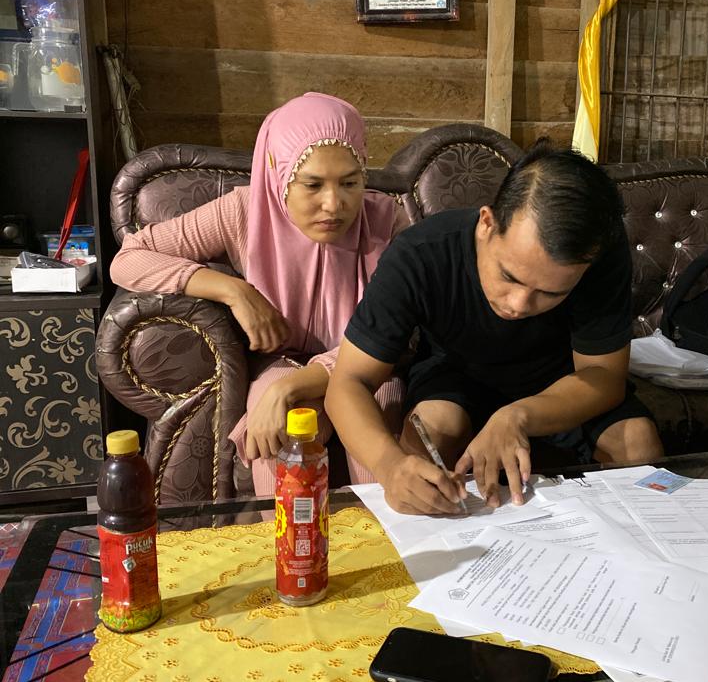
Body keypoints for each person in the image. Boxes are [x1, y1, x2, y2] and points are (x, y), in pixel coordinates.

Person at [325, 140, 664, 516]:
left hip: (559, 381)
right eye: (509, 276)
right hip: (456, 374)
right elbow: (348, 382)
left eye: (550, 293)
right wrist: (389, 465)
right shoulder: (421, 254)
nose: (519, 304)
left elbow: (603, 375)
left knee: (638, 441)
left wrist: (518, 415)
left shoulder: (599, 257)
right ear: (487, 223)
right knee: (434, 429)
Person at [110, 92, 408, 495]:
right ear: (278, 172)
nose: (333, 204)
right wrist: (233, 290)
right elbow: (129, 258)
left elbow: (398, 331)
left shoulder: (387, 221)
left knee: (379, 417)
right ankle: (283, 537)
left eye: (350, 182)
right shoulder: (244, 212)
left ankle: (386, 537)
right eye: (312, 184)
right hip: (282, 361)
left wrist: (291, 387)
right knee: (276, 430)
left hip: (365, 365)